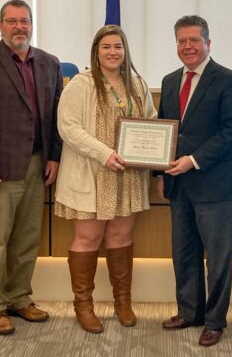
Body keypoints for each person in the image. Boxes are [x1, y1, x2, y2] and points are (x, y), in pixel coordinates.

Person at [0, 0, 63, 335]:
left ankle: (20, 297)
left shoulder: (49, 63)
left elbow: (54, 117)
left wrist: (54, 156)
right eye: (12, 21)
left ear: (31, 24)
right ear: (1, 25)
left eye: (24, 21)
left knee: (28, 238)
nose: (19, 27)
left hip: (38, 164)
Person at [55, 25, 157, 333]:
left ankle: (122, 302)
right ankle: (83, 305)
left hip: (127, 176)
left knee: (120, 238)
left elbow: (151, 121)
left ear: (126, 52)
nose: (113, 52)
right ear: (96, 52)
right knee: (88, 238)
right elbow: (68, 127)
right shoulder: (81, 84)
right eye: (106, 47)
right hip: (93, 174)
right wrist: (104, 153)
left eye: (118, 47)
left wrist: (152, 147)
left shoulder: (137, 84)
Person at [157, 15, 232, 347]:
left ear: (208, 42)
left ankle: (214, 320)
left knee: (218, 257)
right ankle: (189, 311)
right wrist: (158, 170)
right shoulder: (169, 81)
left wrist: (193, 161)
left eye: (194, 40)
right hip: (178, 186)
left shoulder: (228, 80)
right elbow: (164, 130)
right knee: (184, 253)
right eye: (182, 41)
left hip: (215, 185)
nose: (188, 46)